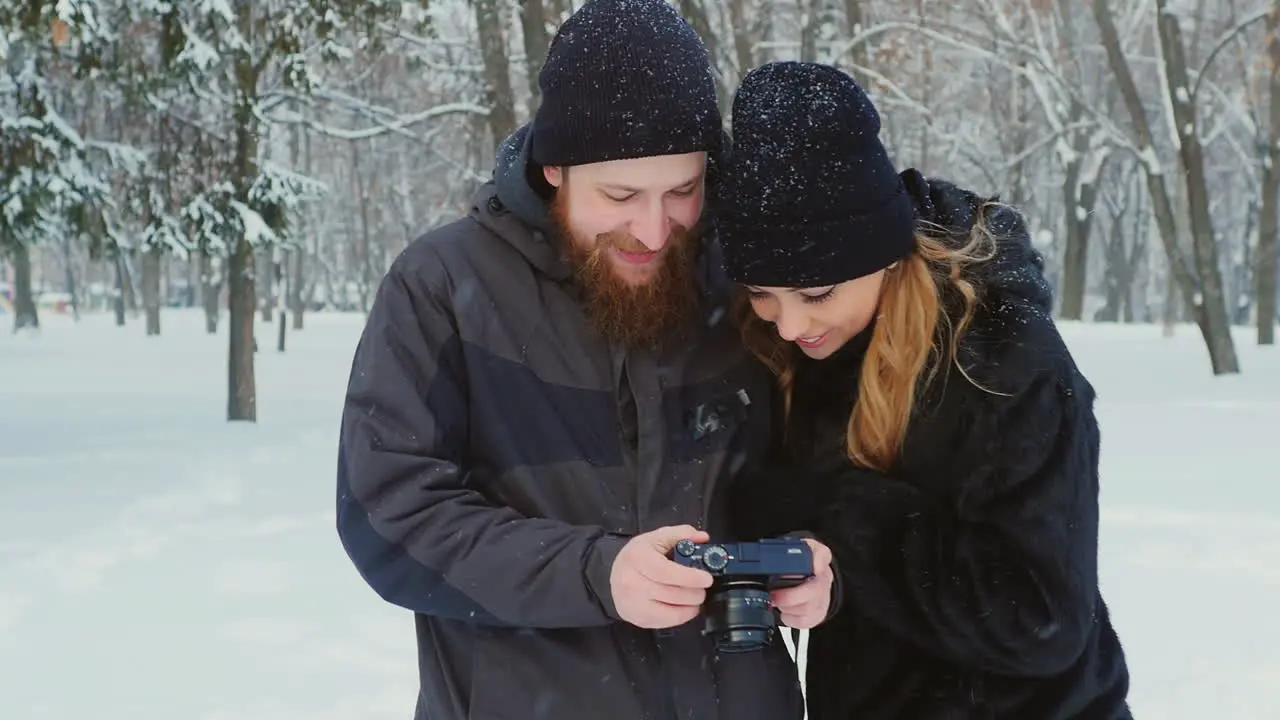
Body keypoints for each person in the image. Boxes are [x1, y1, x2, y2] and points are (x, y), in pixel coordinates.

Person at [334, 4, 831, 719]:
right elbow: (391, 517)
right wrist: (596, 574)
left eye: (683, 191)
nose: (654, 229)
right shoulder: (441, 285)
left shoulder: (750, 279)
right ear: (555, 167)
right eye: (622, 196)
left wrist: (818, 560)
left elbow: (832, 460)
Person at [716, 61, 1133, 719]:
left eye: (816, 293)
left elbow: (1042, 618)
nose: (791, 324)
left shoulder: (1006, 367)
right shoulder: (779, 348)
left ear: (883, 255)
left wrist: (843, 524)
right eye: (763, 294)